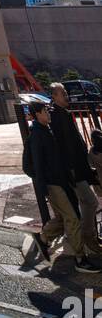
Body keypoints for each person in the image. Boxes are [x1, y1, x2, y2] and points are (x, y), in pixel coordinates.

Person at [25, 100, 87, 268]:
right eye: (45, 111)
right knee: (72, 218)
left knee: (63, 217)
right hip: (53, 184)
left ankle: (43, 237)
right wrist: (43, 184)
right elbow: (35, 164)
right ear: (37, 114)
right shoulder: (37, 136)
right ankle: (80, 258)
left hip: (60, 181)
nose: (48, 113)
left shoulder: (47, 130)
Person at [49, 82, 102, 265]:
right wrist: (72, 170)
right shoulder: (56, 116)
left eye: (65, 92)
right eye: (62, 93)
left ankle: (88, 237)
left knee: (85, 203)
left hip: (78, 169)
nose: (66, 95)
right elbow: (64, 146)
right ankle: (88, 238)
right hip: (73, 171)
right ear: (54, 96)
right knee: (90, 202)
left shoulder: (61, 113)